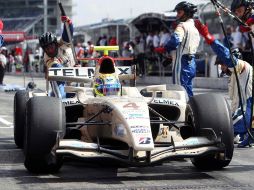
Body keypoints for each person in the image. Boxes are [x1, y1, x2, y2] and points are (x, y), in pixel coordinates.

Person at [195, 19, 254, 147]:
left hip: (246, 112)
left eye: (222, 64)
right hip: (243, 113)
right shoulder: (233, 75)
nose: (221, 67)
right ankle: (248, 134)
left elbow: (226, 55)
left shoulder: (241, 66)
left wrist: (208, 37)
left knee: (220, 130)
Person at [159, 1, 200, 97]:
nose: (177, 15)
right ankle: (192, 111)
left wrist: (164, 48)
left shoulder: (182, 26)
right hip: (192, 63)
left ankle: (184, 112)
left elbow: (174, 42)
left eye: (179, 12)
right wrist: (171, 57)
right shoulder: (195, 29)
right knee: (188, 92)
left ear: (187, 13)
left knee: (180, 92)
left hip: (182, 63)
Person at [39, 15, 75, 98]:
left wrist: (68, 23)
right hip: (60, 84)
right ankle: (60, 99)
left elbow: (67, 37)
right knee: (56, 68)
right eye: (47, 48)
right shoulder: (47, 58)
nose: (50, 50)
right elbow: (57, 68)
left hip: (74, 81)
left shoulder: (61, 43)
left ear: (56, 44)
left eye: (51, 46)